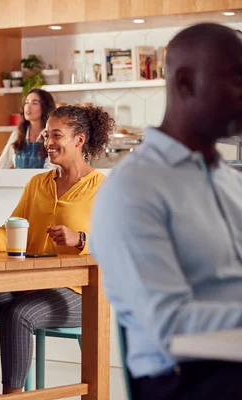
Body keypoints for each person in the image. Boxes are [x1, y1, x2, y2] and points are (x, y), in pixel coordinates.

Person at [91, 23, 242, 400]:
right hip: (186, 380)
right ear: (186, 83)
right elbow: (170, 322)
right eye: (236, 80)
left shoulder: (225, 178)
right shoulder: (133, 188)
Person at [0, 105, 112, 394]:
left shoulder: (102, 188)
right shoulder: (38, 184)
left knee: (19, 313)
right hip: (27, 285)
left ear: (79, 140)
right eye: (46, 135)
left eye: (57, 135)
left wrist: (81, 239)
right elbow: (13, 231)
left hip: (81, 293)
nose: (48, 142)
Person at [0, 89, 56, 169]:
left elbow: (53, 170)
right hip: (18, 181)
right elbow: (2, 165)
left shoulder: (52, 136)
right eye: (26, 102)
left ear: (45, 107)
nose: (28, 107)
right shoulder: (17, 134)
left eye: (34, 103)